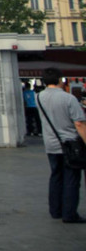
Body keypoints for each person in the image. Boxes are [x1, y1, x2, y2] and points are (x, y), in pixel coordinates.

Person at [37, 67, 86, 224]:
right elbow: (79, 123)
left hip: (51, 144)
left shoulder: (39, 97)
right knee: (71, 179)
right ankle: (69, 214)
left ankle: (56, 210)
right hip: (71, 145)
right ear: (60, 79)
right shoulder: (68, 98)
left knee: (56, 176)